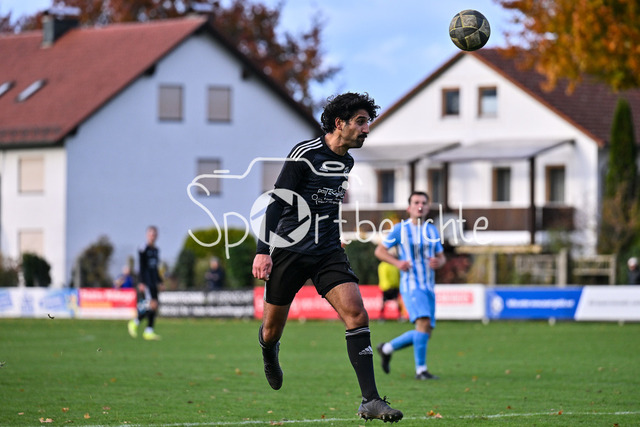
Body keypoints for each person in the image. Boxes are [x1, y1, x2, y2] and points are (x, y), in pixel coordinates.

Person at [251, 92, 402, 422]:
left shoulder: (347, 162)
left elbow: (328, 203)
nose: (366, 129)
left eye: (368, 123)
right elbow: (277, 203)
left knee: (357, 314)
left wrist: (335, 234)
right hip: (290, 250)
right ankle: (268, 349)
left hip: (327, 251)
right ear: (340, 123)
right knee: (272, 330)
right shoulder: (305, 154)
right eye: (361, 122)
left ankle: (370, 400)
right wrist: (263, 251)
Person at [374, 191, 446, 380]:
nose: (420, 206)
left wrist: (439, 262)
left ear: (428, 207)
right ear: (409, 208)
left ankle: (387, 348)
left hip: (428, 285)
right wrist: (398, 263)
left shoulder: (432, 230)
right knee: (423, 323)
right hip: (411, 284)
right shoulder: (401, 229)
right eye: (416, 202)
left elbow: (441, 257)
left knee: (425, 331)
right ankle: (421, 370)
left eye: (423, 202)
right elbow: (380, 251)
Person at [128, 226, 163, 340]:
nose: (153, 236)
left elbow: (155, 268)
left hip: (153, 282)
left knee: (154, 306)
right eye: (151, 234)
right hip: (146, 282)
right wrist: (141, 282)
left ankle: (148, 331)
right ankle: (135, 322)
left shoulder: (156, 250)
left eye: (154, 234)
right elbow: (141, 267)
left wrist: (160, 281)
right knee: (152, 304)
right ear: (147, 235)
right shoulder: (143, 248)